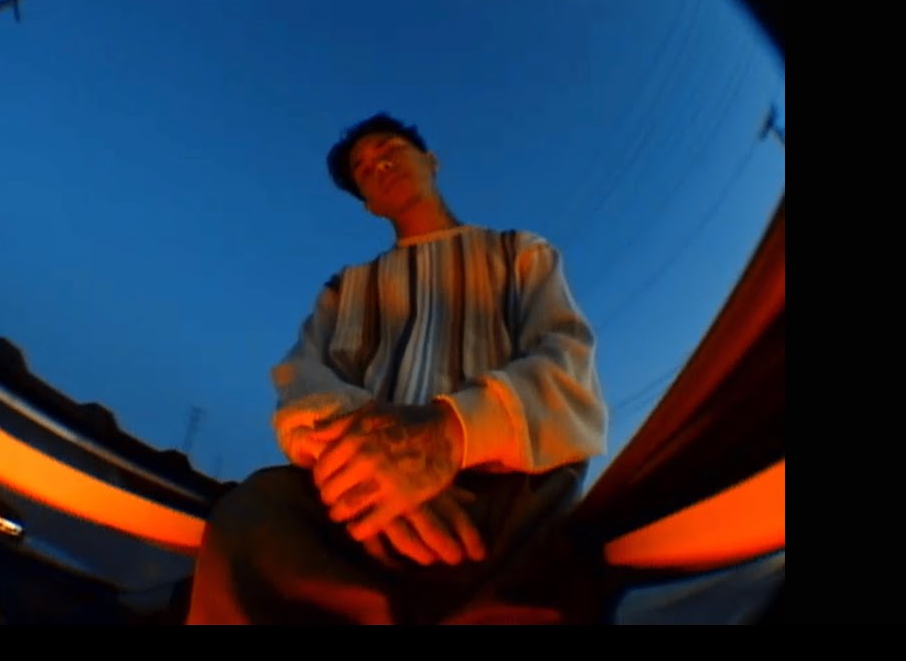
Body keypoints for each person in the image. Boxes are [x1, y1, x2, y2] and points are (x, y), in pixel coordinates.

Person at [185, 112, 607, 624]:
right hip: (355, 510)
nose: (378, 165)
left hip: (504, 503)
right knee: (251, 517)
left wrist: (449, 434)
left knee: (559, 557)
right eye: (363, 168)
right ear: (368, 204)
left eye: (389, 150)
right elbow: (301, 378)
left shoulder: (520, 253)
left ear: (431, 161)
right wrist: (371, 464)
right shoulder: (346, 289)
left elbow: (567, 363)